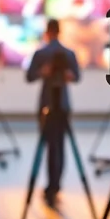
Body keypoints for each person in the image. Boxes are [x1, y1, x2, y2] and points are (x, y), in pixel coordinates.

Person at [26, 19, 81, 205]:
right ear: (59, 31)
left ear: (47, 32)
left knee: (50, 146)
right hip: (61, 104)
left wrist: (42, 72)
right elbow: (77, 77)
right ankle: (55, 185)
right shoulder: (68, 54)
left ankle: (53, 186)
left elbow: (29, 76)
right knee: (60, 146)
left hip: (47, 103)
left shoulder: (41, 53)